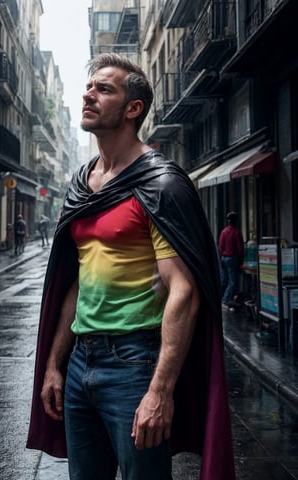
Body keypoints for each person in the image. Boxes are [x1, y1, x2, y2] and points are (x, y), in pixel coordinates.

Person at [27, 53, 235, 480]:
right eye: (89, 87)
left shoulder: (159, 184)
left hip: (135, 364)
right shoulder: (84, 182)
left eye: (104, 89)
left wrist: (160, 390)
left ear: (132, 108)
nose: (89, 94)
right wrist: (54, 364)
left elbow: (184, 290)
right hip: (82, 361)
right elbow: (77, 281)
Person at [218, 211, 244, 310]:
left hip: (223, 258)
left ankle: (221, 298)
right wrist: (241, 260)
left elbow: (220, 247)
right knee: (233, 281)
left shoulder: (223, 232)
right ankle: (225, 299)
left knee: (224, 280)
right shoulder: (236, 232)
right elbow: (240, 249)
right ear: (236, 221)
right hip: (232, 258)